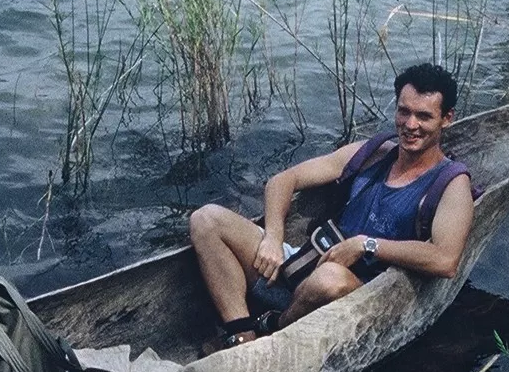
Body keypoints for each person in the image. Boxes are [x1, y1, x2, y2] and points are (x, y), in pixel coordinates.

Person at [189, 62, 474, 347]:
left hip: (356, 291)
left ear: (446, 119)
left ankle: (274, 330)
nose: (411, 125)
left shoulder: (451, 183)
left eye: (424, 116)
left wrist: (366, 244)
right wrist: (274, 236)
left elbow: (445, 260)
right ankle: (242, 333)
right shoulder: (373, 153)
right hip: (305, 264)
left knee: (329, 279)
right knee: (206, 220)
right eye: (404, 112)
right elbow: (284, 180)